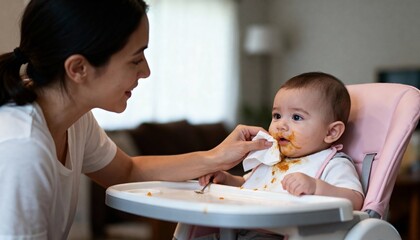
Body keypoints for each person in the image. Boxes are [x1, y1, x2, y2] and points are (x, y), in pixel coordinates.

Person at [0, 0, 272, 239]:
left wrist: (217, 156)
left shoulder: (74, 119)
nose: (147, 71)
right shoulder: (22, 149)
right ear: (78, 68)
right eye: (135, 59)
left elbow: (128, 171)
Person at [197, 72, 364, 239]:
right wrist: (227, 180)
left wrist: (315, 187)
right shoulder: (273, 158)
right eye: (277, 115)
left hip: (284, 235)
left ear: (331, 132)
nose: (281, 125)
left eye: (296, 117)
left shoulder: (333, 163)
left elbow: (355, 201)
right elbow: (252, 186)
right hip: (241, 229)